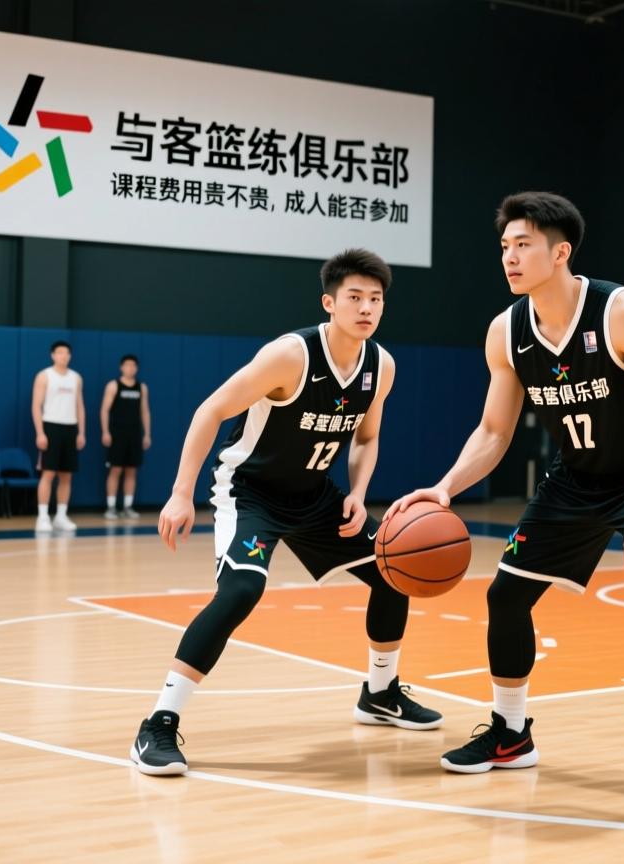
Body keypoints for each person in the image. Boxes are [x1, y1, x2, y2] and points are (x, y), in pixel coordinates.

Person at [387, 192, 624, 832]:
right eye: (504, 246)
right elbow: (494, 432)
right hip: (574, 480)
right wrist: (445, 489)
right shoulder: (506, 332)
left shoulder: (623, 311)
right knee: (506, 597)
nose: (509, 257)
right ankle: (511, 734)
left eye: (523, 244)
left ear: (561, 252)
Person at [129, 249, 442, 777]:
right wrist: (181, 493)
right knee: (241, 591)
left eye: (376, 299)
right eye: (355, 297)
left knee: (393, 572)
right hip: (250, 492)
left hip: (314, 495)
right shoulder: (290, 356)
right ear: (329, 303)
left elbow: (367, 437)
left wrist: (358, 491)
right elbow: (210, 409)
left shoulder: (380, 366)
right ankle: (158, 722)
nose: (367, 308)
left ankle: (380, 693)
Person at [31, 341, 85, 533]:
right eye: (60, 352)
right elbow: (36, 405)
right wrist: (40, 432)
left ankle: (61, 516)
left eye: (67, 353)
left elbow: (79, 406)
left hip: (70, 428)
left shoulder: (76, 378)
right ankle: (43, 516)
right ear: (53, 355)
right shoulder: (44, 376)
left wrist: (81, 432)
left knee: (66, 476)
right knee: (48, 474)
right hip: (50, 426)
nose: (64, 356)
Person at [101, 354, 151, 519]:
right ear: (121, 367)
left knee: (131, 470)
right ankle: (111, 507)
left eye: (133, 365)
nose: (130, 368)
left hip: (134, 434)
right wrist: (105, 431)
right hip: (117, 434)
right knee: (115, 469)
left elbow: (144, 411)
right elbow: (104, 410)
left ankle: (128, 506)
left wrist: (147, 434)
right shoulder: (113, 385)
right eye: (127, 365)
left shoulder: (141, 387)